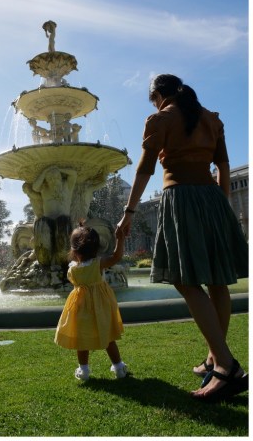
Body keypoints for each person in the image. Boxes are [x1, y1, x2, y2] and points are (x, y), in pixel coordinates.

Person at [117, 73, 248, 402]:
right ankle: (213, 358)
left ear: (158, 95)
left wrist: (129, 212)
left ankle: (226, 367)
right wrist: (224, 207)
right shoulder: (211, 119)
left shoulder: (160, 119)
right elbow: (223, 166)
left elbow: (145, 168)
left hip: (182, 200)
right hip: (214, 199)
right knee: (218, 281)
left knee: (184, 279)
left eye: (153, 99)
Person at [55, 223, 128, 381]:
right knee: (108, 337)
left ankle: (84, 371)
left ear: (73, 250)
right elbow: (116, 257)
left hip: (81, 307)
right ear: (97, 248)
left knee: (82, 339)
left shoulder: (72, 269)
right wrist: (120, 240)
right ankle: (119, 368)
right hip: (101, 305)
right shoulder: (98, 264)